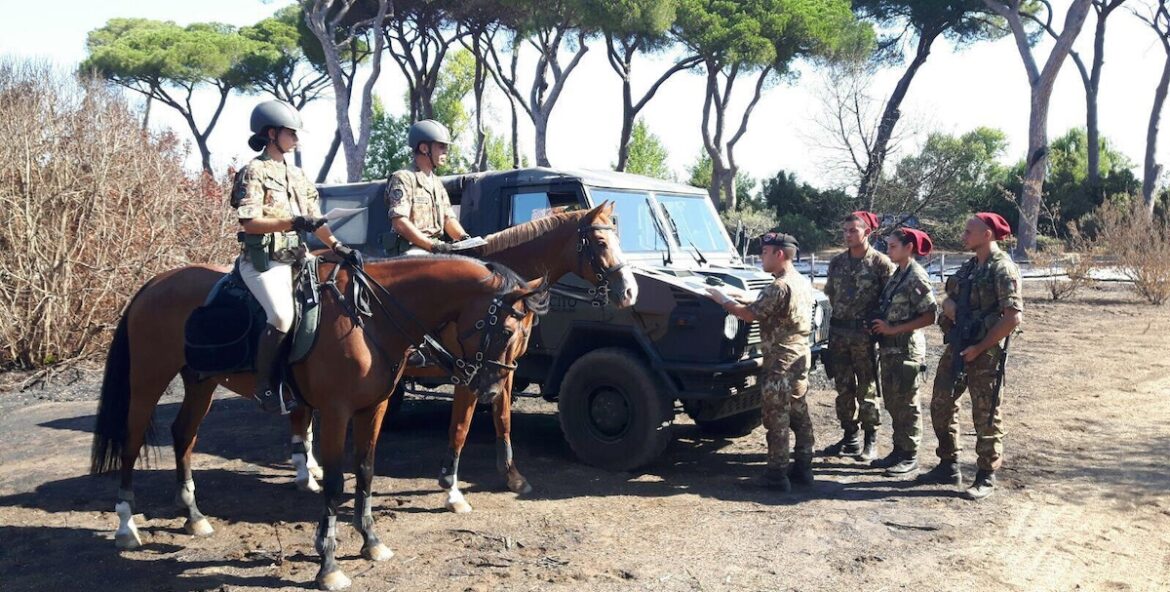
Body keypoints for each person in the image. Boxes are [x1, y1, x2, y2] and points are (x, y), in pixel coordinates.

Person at [232, 100, 356, 414]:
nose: (296, 139)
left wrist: (339, 247)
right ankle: (264, 386)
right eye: (291, 133)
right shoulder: (252, 171)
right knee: (282, 316)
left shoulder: (299, 175)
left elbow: (316, 220)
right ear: (271, 133)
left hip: (300, 259)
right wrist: (292, 222)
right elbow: (250, 222)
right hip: (264, 262)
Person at [920, 213, 1023, 500]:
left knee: (985, 413)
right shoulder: (969, 267)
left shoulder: (1003, 269)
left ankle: (986, 475)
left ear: (987, 234)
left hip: (985, 352)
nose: (963, 235)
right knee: (940, 402)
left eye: (969, 231)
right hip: (958, 345)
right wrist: (950, 307)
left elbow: (1012, 318)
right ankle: (947, 464)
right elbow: (948, 297)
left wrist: (980, 347)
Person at [706, 232, 815, 491]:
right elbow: (765, 305)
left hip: (780, 361)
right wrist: (737, 295)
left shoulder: (779, 286)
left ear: (779, 254)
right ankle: (804, 467)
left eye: (765, 253)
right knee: (799, 411)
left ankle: (776, 475)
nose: (761, 257)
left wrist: (721, 298)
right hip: (799, 355)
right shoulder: (799, 281)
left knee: (776, 416)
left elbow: (747, 314)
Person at [821, 211, 896, 460]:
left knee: (868, 389)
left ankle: (870, 440)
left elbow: (891, 300)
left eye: (853, 230)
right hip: (839, 334)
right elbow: (830, 295)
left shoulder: (881, 264)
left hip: (866, 337)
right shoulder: (837, 262)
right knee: (843, 389)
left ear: (868, 232)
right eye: (845, 231)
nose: (848, 235)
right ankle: (850, 437)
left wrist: (878, 325)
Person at [869, 228, 938, 477]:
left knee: (907, 403)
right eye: (888, 245)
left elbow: (931, 314)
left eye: (893, 246)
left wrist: (894, 328)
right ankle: (898, 450)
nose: (889, 250)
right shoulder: (898, 275)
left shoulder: (915, 277)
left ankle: (910, 455)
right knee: (893, 402)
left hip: (906, 348)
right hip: (890, 349)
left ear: (909, 247)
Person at [383, 119, 472, 255]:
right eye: (441, 146)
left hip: (435, 247)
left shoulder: (437, 183)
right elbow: (399, 222)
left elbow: (448, 219)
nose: (446, 152)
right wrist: (432, 246)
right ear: (424, 148)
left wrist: (464, 239)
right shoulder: (403, 178)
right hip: (410, 248)